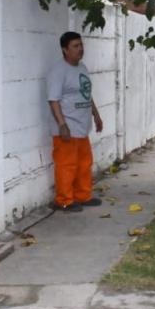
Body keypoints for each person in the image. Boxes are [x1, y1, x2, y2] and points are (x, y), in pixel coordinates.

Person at [46, 32, 103, 212]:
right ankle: (64, 200)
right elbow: (53, 100)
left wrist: (96, 115)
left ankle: (83, 196)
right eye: (75, 46)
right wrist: (62, 125)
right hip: (67, 128)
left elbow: (86, 94)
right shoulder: (58, 71)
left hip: (82, 127)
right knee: (66, 165)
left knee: (84, 164)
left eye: (81, 45)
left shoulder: (82, 67)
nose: (80, 49)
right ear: (65, 49)